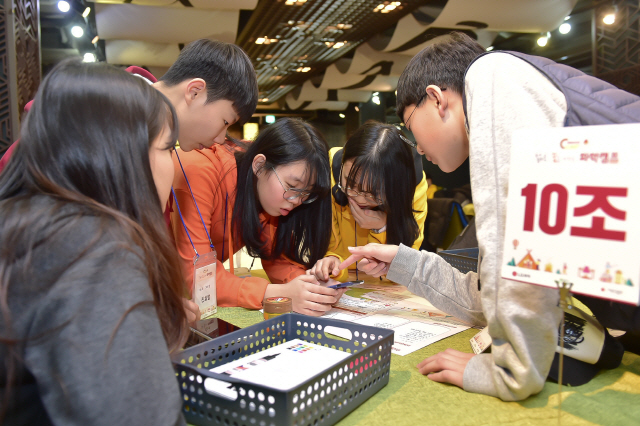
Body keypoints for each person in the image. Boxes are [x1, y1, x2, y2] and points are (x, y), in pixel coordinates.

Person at [339, 32, 640, 401]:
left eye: (411, 123)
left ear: (436, 99)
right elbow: (494, 291)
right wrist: (404, 264)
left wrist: (508, 371)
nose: (417, 146)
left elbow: (511, 259)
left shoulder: (494, 79)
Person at [0, 60, 188, 425]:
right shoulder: (93, 248)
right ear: (122, 154)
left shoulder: (26, 222)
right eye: (167, 149)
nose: (176, 170)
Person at [0, 38, 258, 171]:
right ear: (195, 91)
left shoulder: (157, 138)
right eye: (226, 122)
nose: (220, 138)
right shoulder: (91, 113)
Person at [171, 118, 343, 316]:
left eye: (306, 193)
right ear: (260, 165)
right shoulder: (200, 170)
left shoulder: (270, 197)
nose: (297, 200)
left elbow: (277, 259)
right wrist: (278, 293)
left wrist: (310, 287)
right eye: (292, 186)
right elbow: (201, 280)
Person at [308, 121, 428, 282]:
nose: (358, 198)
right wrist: (332, 261)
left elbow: (406, 264)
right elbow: (325, 244)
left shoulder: (414, 187)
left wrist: (383, 228)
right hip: (340, 282)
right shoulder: (328, 168)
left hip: (386, 289)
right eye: (349, 184)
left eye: (373, 193)